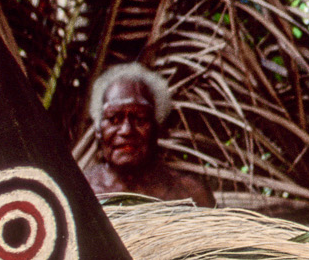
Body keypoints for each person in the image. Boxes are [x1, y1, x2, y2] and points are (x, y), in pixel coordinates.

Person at [84, 63, 216, 207]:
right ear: (98, 130)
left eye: (140, 119)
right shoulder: (80, 192)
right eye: (114, 118)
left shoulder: (191, 195)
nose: (126, 130)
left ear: (158, 127)